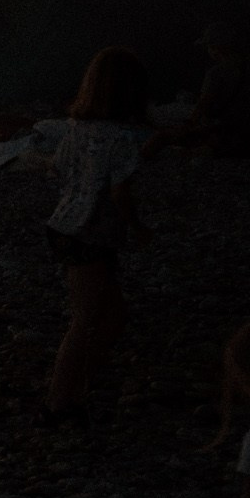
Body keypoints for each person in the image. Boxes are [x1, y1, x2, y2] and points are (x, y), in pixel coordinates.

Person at [44, 46, 153, 424]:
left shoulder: (77, 128)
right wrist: (137, 227)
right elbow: (120, 192)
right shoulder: (122, 137)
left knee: (113, 315)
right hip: (89, 233)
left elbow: (57, 170)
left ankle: (80, 380)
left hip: (67, 226)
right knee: (86, 317)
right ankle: (60, 399)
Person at [145, 22, 248, 160]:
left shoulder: (216, 73)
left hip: (221, 128)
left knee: (160, 135)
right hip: (240, 127)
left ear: (216, 48)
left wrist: (187, 126)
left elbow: (203, 104)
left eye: (208, 47)